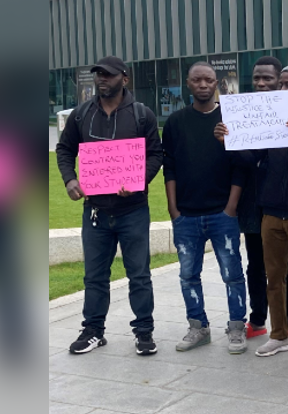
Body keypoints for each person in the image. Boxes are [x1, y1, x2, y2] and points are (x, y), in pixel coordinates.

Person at [215, 62, 288, 365]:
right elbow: (252, 156)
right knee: (273, 278)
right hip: (270, 211)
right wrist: (228, 141)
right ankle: (279, 334)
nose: (281, 89)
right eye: (280, 83)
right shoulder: (272, 119)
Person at [56, 56, 163, 356]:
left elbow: (156, 154)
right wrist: (69, 180)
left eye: (108, 74)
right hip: (95, 212)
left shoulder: (142, 115)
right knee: (94, 275)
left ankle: (144, 331)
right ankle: (93, 330)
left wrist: (139, 178)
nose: (102, 79)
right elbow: (64, 149)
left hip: (133, 211)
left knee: (139, 274)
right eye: (98, 75)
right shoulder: (81, 115)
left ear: (124, 79)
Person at [162, 62, 249, 354]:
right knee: (188, 274)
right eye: (197, 80)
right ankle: (198, 327)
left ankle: (237, 328)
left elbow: (240, 168)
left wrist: (231, 208)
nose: (202, 85)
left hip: (222, 213)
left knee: (232, 273)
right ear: (188, 83)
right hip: (186, 215)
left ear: (217, 84)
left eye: (208, 80)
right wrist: (174, 210)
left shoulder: (229, 118)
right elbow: (169, 168)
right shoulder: (175, 122)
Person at [236, 56, 288, 347]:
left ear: (280, 82)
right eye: (257, 79)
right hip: (253, 201)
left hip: (284, 202)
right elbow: (246, 160)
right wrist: (230, 139)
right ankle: (258, 318)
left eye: (268, 79)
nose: (262, 84)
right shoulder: (244, 113)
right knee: (256, 263)